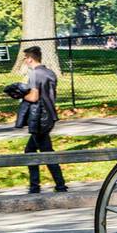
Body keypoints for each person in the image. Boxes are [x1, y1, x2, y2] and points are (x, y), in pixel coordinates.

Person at [17, 46, 67, 195]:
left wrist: (18, 94)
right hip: (49, 115)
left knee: (44, 152)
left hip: (39, 117)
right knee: (32, 150)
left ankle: (50, 186)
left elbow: (33, 97)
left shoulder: (35, 75)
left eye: (25, 58)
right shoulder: (49, 73)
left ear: (30, 58)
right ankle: (42, 185)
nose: (24, 60)